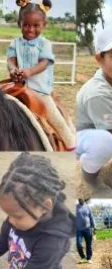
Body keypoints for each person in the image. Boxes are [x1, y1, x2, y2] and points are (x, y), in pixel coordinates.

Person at [7, 0, 75, 151]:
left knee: (57, 121)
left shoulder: (44, 44)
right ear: (20, 23)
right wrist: (13, 70)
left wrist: (29, 72)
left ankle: (72, 146)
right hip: (19, 87)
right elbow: (10, 61)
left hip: (40, 91)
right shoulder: (15, 43)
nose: (30, 29)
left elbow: (44, 62)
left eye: (36, 25)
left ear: (44, 24)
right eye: (26, 25)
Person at [76, 25, 112, 196]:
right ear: (100, 58)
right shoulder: (96, 94)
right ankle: (90, 178)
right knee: (105, 142)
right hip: (88, 138)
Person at [76, 198, 96, 264]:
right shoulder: (76, 207)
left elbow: (91, 217)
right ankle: (83, 257)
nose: (80, 200)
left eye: (81, 199)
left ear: (84, 199)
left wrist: (94, 226)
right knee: (79, 244)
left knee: (89, 244)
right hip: (78, 229)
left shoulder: (88, 207)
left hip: (87, 228)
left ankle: (89, 258)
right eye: (79, 199)